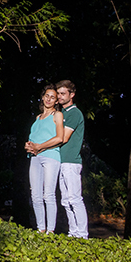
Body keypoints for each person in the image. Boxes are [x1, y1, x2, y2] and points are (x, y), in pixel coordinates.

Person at [26, 79, 88, 238]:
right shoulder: (62, 113)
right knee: (65, 201)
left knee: (74, 198)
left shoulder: (74, 113)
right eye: (57, 94)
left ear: (72, 95)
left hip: (71, 161)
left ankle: (82, 234)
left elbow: (63, 138)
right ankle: (73, 233)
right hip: (61, 159)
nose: (59, 97)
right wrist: (33, 146)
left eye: (62, 94)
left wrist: (39, 146)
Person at [25, 86, 64, 233]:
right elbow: (33, 138)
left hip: (51, 157)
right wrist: (29, 145)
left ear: (56, 101)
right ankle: (41, 229)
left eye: (52, 97)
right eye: (47, 96)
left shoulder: (57, 115)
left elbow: (59, 138)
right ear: (42, 97)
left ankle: (50, 231)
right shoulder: (37, 118)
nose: (49, 99)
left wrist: (39, 146)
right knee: (35, 195)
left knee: (48, 194)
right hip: (35, 157)